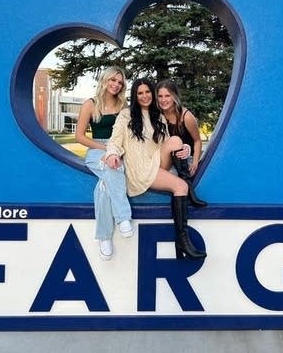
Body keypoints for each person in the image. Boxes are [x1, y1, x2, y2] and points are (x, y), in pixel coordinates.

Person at [105, 78, 206, 260]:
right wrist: (112, 154)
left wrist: (186, 149)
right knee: (180, 187)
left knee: (176, 141)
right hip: (139, 169)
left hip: (156, 162)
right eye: (140, 93)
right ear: (135, 96)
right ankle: (182, 240)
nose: (145, 96)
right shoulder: (126, 115)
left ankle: (187, 188)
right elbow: (114, 140)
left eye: (147, 92)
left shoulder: (158, 116)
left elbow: (167, 142)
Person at [75, 66, 133, 261]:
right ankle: (123, 217)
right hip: (96, 148)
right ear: (105, 80)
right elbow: (79, 136)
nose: (116, 85)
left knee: (104, 184)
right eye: (112, 80)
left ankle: (104, 237)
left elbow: (127, 134)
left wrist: (114, 150)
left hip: (117, 148)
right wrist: (104, 150)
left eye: (120, 82)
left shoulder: (124, 106)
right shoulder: (90, 104)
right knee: (111, 166)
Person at [156, 79, 207, 208]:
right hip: (167, 159)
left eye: (167, 96)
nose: (163, 100)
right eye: (160, 96)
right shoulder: (157, 116)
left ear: (174, 97)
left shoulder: (186, 116)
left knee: (176, 181)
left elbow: (197, 140)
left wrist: (195, 161)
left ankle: (189, 190)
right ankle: (189, 192)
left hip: (184, 159)